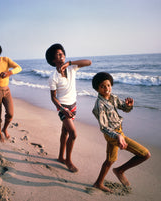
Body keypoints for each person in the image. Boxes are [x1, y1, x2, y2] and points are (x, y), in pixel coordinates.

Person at [92, 72, 151, 192]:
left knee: (110, 160)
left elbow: (124, 108)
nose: (106, 88)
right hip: (112, 134)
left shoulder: (113, 97)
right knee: (145, 154)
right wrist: (118, 136)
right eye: (102, 86)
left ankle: (99, 183)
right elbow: (103, 127)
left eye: (108, 85)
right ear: (97, 89)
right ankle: (120, 171)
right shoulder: (99, 105)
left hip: (118, 132)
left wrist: (128, 106)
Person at [46, 43, 92, 173]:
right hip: (63, 107)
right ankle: (68, 160)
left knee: (65, 132)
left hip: (73, 105)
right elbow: (53, 98)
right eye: (58, 55)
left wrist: (70, 62)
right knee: (73, 134)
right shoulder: (53, 77)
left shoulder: (72, 68)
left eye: (63, 54)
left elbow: (89, 62)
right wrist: (62, 109)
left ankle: (60, 157)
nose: (62, 57)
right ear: (53, 60)